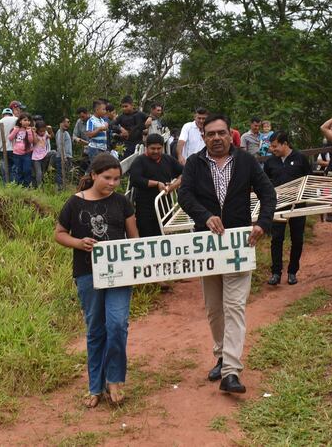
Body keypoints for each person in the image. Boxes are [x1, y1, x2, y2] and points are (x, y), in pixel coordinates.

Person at [178, 113, 276, 394]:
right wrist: (205, 216)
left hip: (238, 245)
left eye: (221, 133)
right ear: (203, 136)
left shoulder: (245, 161)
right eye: (211, 134)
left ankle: (231, 371)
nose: (217, 138)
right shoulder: (195, 163)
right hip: (207, 246)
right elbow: (185, 196)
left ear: (229, 134)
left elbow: (268, 193)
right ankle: (221, 356)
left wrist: (263, 223)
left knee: (234, 306)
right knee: (214, 308)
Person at [54, 153, 138, 408]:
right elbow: (59, 234)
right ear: (93, 175)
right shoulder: (74, 203)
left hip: (120, 273)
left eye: (117, 179)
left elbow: (134, 239)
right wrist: (79, 243)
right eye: (107, 178)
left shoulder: (123, 202)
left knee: (117, 324)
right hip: (87, 273)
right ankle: (95, 387)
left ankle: (114, 380)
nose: (112, 183)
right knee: (95, 329)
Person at [263, 131, 311, 285]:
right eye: (271, 146)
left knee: (297, 239)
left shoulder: (300, 158)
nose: (272, 149)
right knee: (277, 239)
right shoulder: (270, 163)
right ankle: (276, 273)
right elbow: (265, 182)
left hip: (298, 205)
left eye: (275, 146)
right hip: (278, 206)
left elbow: (308, 179)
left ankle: (292, 272)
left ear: (285, 144)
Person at [128, 134, 183, 237]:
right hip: (145, 208)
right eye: (152, 148)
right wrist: (156, 183)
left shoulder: (168, 159)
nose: (156, 151)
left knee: (165, 235)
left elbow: (184, 172)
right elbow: (135, 180)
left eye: (159, 148)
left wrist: (173, 186)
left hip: (165, 206)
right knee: (147, 236)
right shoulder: (140, 161)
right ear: (146, 147)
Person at [7, 113, 35, 187]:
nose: (27, 122)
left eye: (28, 120)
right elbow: (10, 138)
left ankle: (27, 186)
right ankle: (20, 186)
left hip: (27, 153)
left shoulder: (30, 130)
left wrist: (29, 132)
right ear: (20, 121)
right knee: (18, 171)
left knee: (27, 170)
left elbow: (31, 141)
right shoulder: (16, 129)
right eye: (25, 120)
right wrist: (16, 130)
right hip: (17, 154)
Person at [0, 107, 17, 184]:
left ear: (2, 115)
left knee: (5, 171)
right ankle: (15, 186)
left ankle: (6, 187)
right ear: (11, 114)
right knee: (15, 169)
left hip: (2, 150)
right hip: (16, 149)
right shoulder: (16, 119)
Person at [32, 120, 54, 189]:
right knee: (39, 173)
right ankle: (39, 188)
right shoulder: (35, 135)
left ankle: (50, 167)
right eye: (40, 131)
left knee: (54, 152)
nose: (42, 133)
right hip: (36, 157)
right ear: (37, 130)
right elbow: (34, 141)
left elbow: (52, 136)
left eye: (44, 131)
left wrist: (50, 131)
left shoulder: (45, 135)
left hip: (44, 155)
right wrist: (34, 132)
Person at [54, 117, 74, 191]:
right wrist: (64, 157)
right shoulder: (60, 133)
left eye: (69, 122)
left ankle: (64, 189)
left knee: (66, 173)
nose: (68, 123)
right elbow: (60, 146)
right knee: (60, 173)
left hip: (68, 156)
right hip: (61, 157)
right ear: (62, 123)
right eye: (67, 122)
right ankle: (59, 190)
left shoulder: (66, 133)